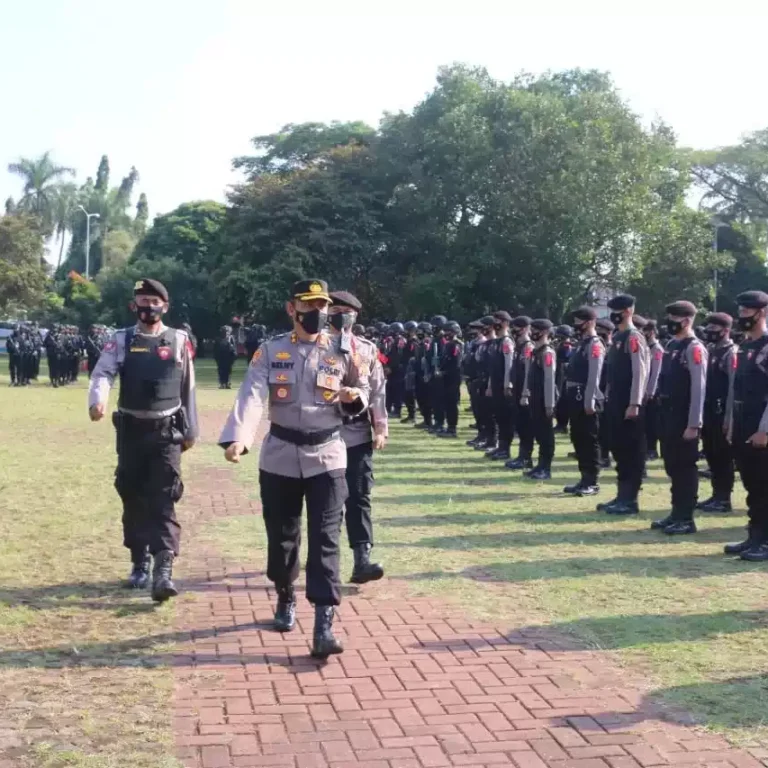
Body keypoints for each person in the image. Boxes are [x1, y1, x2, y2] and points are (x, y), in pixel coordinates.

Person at [218, 279, 370, 658]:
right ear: (292, 309)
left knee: (326, 539)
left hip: (328, 455)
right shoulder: (271, 351)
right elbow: (252, 395)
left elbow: (362, 389)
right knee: (282, 537)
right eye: (309, 305)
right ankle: (285, 594)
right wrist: (240, 438)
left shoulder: (344, 349)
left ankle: (323, 623)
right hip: (281, 455)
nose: (317, 312)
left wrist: (354, 398)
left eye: (322, 305)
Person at [88, 279, 199, 602]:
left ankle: (164, 570)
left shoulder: (178, 340)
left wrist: (191, 431)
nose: (148, 306)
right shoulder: (121, 339)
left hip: (167, 433)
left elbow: (188, 387)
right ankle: (140, 561)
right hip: (131, 432)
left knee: (164, 497)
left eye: (154, 301)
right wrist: (98, 399)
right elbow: (103, 372)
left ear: (165, 306)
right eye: (142, 300)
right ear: (133, 305)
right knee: (133, 496)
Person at [328, 290, 388, 583]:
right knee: (327, 501)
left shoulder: (366, 349)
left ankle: (362, 560)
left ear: (355, 316)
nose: (341, 316)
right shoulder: (314, 347)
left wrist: (380, 427)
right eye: (335, 311)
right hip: (325, 435)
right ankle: (325, 561)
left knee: (359, 496)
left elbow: (377, 390)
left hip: (357, 435)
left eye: (346, 312)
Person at [649, 301, 707, 535]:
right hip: (668, 415)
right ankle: (675, 513)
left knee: (684, 468)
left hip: (684, 417)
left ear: (687, 320)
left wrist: (694, 423)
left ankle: (686, 518)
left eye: (675, 318)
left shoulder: (694, 348)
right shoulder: (672, 345)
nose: (670, 322)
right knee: (672, 465)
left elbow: (698, 388)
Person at [724, 291, 768, 560]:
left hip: (760, 424)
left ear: (761, 312)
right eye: (740, 311)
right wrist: (731, 422)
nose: (741, 316)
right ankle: (755, 536)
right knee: (752, 485)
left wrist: (765, 429)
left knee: (765, 485)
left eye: (746, 312)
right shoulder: (744, 346)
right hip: (742, 422)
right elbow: (735, 389)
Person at [598, 294, 649, 515]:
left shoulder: (634, 337)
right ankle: (621, 495)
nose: (614, 315)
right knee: (619, 450)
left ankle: (630, 500)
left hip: (629, 403)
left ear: (628, 311)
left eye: (617, 311)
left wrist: (635, 403)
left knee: (630, 452)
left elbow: (640, 372)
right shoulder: (618, 337)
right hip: (615, 402)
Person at [696, 312, 737, 513]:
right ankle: (716, 494)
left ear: (725, 330)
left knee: (723, 457)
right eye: (709, 327)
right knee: (711, 454)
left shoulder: (731, 353)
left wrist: (729, 417)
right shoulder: (710, 349)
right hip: (709, 411)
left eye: (714, 328)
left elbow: (732, 387)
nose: (709, 331)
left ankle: (723, 498)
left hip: (721, 412)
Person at [563, 307, 604, 496]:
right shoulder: (582, 343)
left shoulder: (594, 344)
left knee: (589, 440)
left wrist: (590, 399)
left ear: (590, 322)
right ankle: (583, 478)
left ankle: (591, 481)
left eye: (580, 321)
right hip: (575, 396)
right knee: (577, 438)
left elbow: (595, 374)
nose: (576, 325)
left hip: (586, 397)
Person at [521, 319, 556, 480]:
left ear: (545, 332)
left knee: (546, 435)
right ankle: (540, 465)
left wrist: (549, 404)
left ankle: (545, 467)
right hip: (535, 397)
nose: (533, 333)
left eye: (537, 330)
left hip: (544, 399)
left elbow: (549, 379)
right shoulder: (535, 351)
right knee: (539, 433)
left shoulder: (547, 352)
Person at [505, 316, 535, 470]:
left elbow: (528, 372)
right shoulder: (518, 346)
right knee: (520, 425)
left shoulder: (528, 347)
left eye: (516, 327)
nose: (513, 330)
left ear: (524, 329)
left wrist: (525, 392)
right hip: (517, 389)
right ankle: (521, 456)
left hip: (524, 392)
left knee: (526, 426)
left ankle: (526, 457)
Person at [486, 311, 515, 459]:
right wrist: (490, 385)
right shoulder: (496, 342)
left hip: (504, 385)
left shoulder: (506, 342)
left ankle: (505, 448)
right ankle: (500, 446)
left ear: (505, 323)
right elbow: (492, 367)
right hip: (496, 384)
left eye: (499, 321)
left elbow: (509, 365)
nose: (495, 324)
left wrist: (507, 384)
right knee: (498, 416)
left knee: (505, 417)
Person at [642, 319, 664, 460]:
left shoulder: (656, 349)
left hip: (652, 393)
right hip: (643, 390)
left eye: (645, 330)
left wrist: (650, 392)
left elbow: (656, 372)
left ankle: (652, 449)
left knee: (652, 422)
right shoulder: (645, 348)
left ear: (651, 332)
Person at [438, 321, 463, 437]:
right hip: (446, 378)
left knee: (452, 403)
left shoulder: (456, 344)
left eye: (449, 331)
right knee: (446, 403)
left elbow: (456, 364)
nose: (446, 333)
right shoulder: (448, 344)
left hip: (453, 378)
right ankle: (448, 426)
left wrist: (444, 372)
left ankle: (452, 428)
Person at [595, 318, 615, 469]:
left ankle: (605, 456)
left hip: (609, 392)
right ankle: (601, 454)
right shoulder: (599, 347)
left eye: (600, 330)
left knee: (607, 427)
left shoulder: (613, 349)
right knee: (598, 426)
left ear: (609, 332)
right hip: (598, 390)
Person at [554, 325, 574, 433]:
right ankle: (560, 423)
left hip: (563, 375)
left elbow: (565, 358)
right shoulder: (561, 344)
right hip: (559, 373)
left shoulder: (567, 345)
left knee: (562, 400)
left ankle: (562, 424)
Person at [401, 321, 419, 423]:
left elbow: (414, 356)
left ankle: (412, 416)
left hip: (411, 370)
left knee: (410, 393)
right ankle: (410, 414)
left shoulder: (414, 342)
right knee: (406, 394)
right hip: (406, 369)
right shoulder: (408, 341)